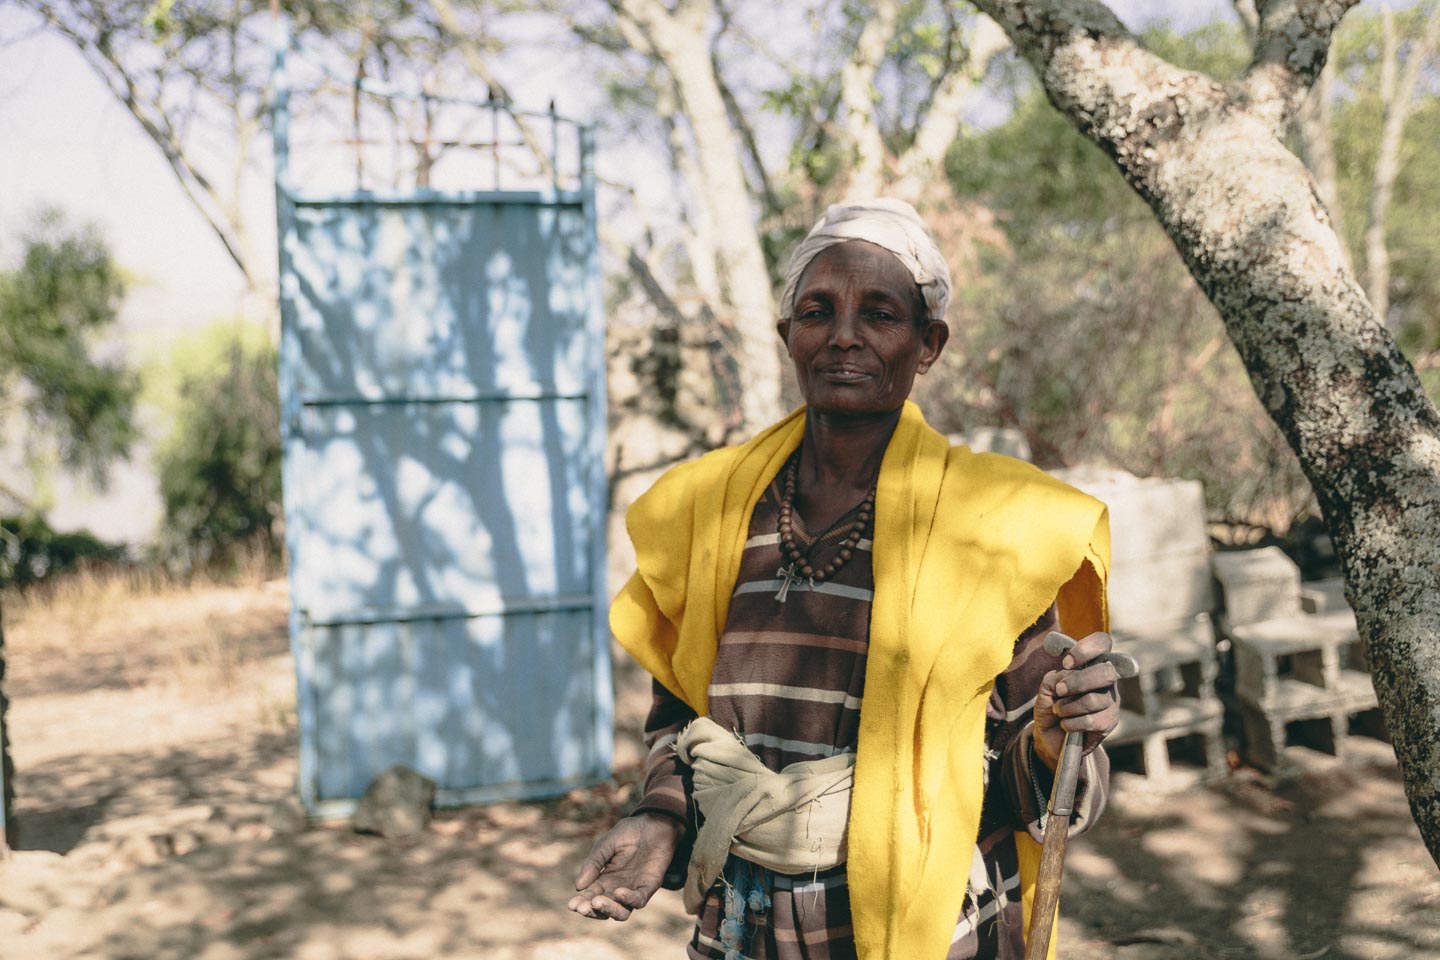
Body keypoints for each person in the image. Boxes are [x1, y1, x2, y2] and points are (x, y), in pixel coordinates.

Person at [568, 198, 1121, 960]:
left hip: (928, 929)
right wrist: (661, 817)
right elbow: (682, 721)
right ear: (787, 335)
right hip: (742, 927)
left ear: (928, 344)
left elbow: (1036, 783)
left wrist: (1059, 746)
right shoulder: (711, 514)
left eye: (881, 314)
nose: (846, 335)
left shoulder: (991, 527)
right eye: (818, 310)